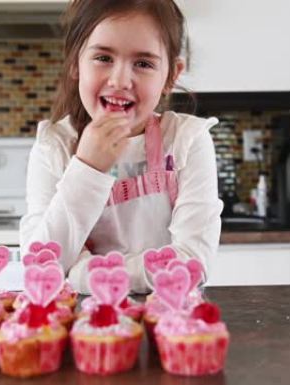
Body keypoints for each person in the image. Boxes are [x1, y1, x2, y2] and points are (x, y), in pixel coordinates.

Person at [20, 0, 222, 293]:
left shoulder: (187, 140)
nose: (120, 80)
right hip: (81, 327)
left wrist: (79, 274)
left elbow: (192, 263)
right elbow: (40, 268)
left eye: (143, 63)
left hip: (170, 323)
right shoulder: (54, 146)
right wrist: (88, 167)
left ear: (171, 76)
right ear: (76, 62)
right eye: (103, 58)